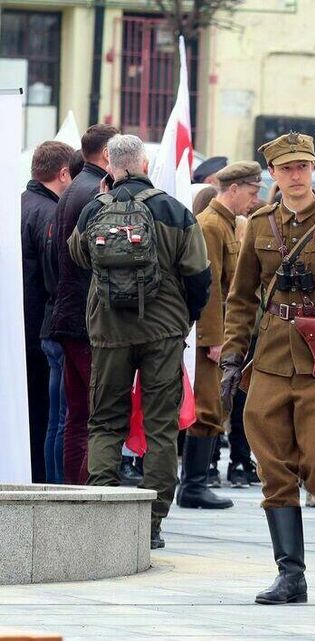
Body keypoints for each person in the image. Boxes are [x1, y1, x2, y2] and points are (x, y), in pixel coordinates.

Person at [220, 132, 315, 604]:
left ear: (312, 169)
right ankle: (291, 575)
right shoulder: (260, 223)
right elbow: (241, 296)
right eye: (286, 168)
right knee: (274, 467)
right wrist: (232, 357)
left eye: (303, 166)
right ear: (272, 173)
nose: (295, 175)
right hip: (270, 359)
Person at [67, 134, 211, 548]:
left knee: (105, 420)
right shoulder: (173, 210)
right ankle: (151, 523)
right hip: (163, 330)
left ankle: (104, 515)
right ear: (144, 163)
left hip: (109, 329)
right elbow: (199, 274)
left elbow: (78, 256)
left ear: (110, 165)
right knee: (160, 426)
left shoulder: (94, 208)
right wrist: (186, 316)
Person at [178, 162, 263, 510]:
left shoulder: (225, 225)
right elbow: (210, 287)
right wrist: (214, 338)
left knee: (212, 408)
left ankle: (194, 484)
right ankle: (194, 486)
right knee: (207, 408)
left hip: (218, 331)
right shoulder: (211, 226)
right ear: (233, 189)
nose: (254, 200)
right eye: (252, 192)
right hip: (208, 334)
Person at [49, 123, 119, 485]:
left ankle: (73, 491)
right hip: (87, 319)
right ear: (107, 154)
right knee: (96, 415)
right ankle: (84, 495)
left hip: (68, 312)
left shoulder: (73, 188)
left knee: (77, 417)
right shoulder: (96, 192)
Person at [22, 140, 74, 483]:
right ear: (64, 173)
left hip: (21, 326)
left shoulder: (20, 204)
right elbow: (53, 276)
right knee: (44, 415)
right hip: (38, 325)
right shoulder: (48, 213)